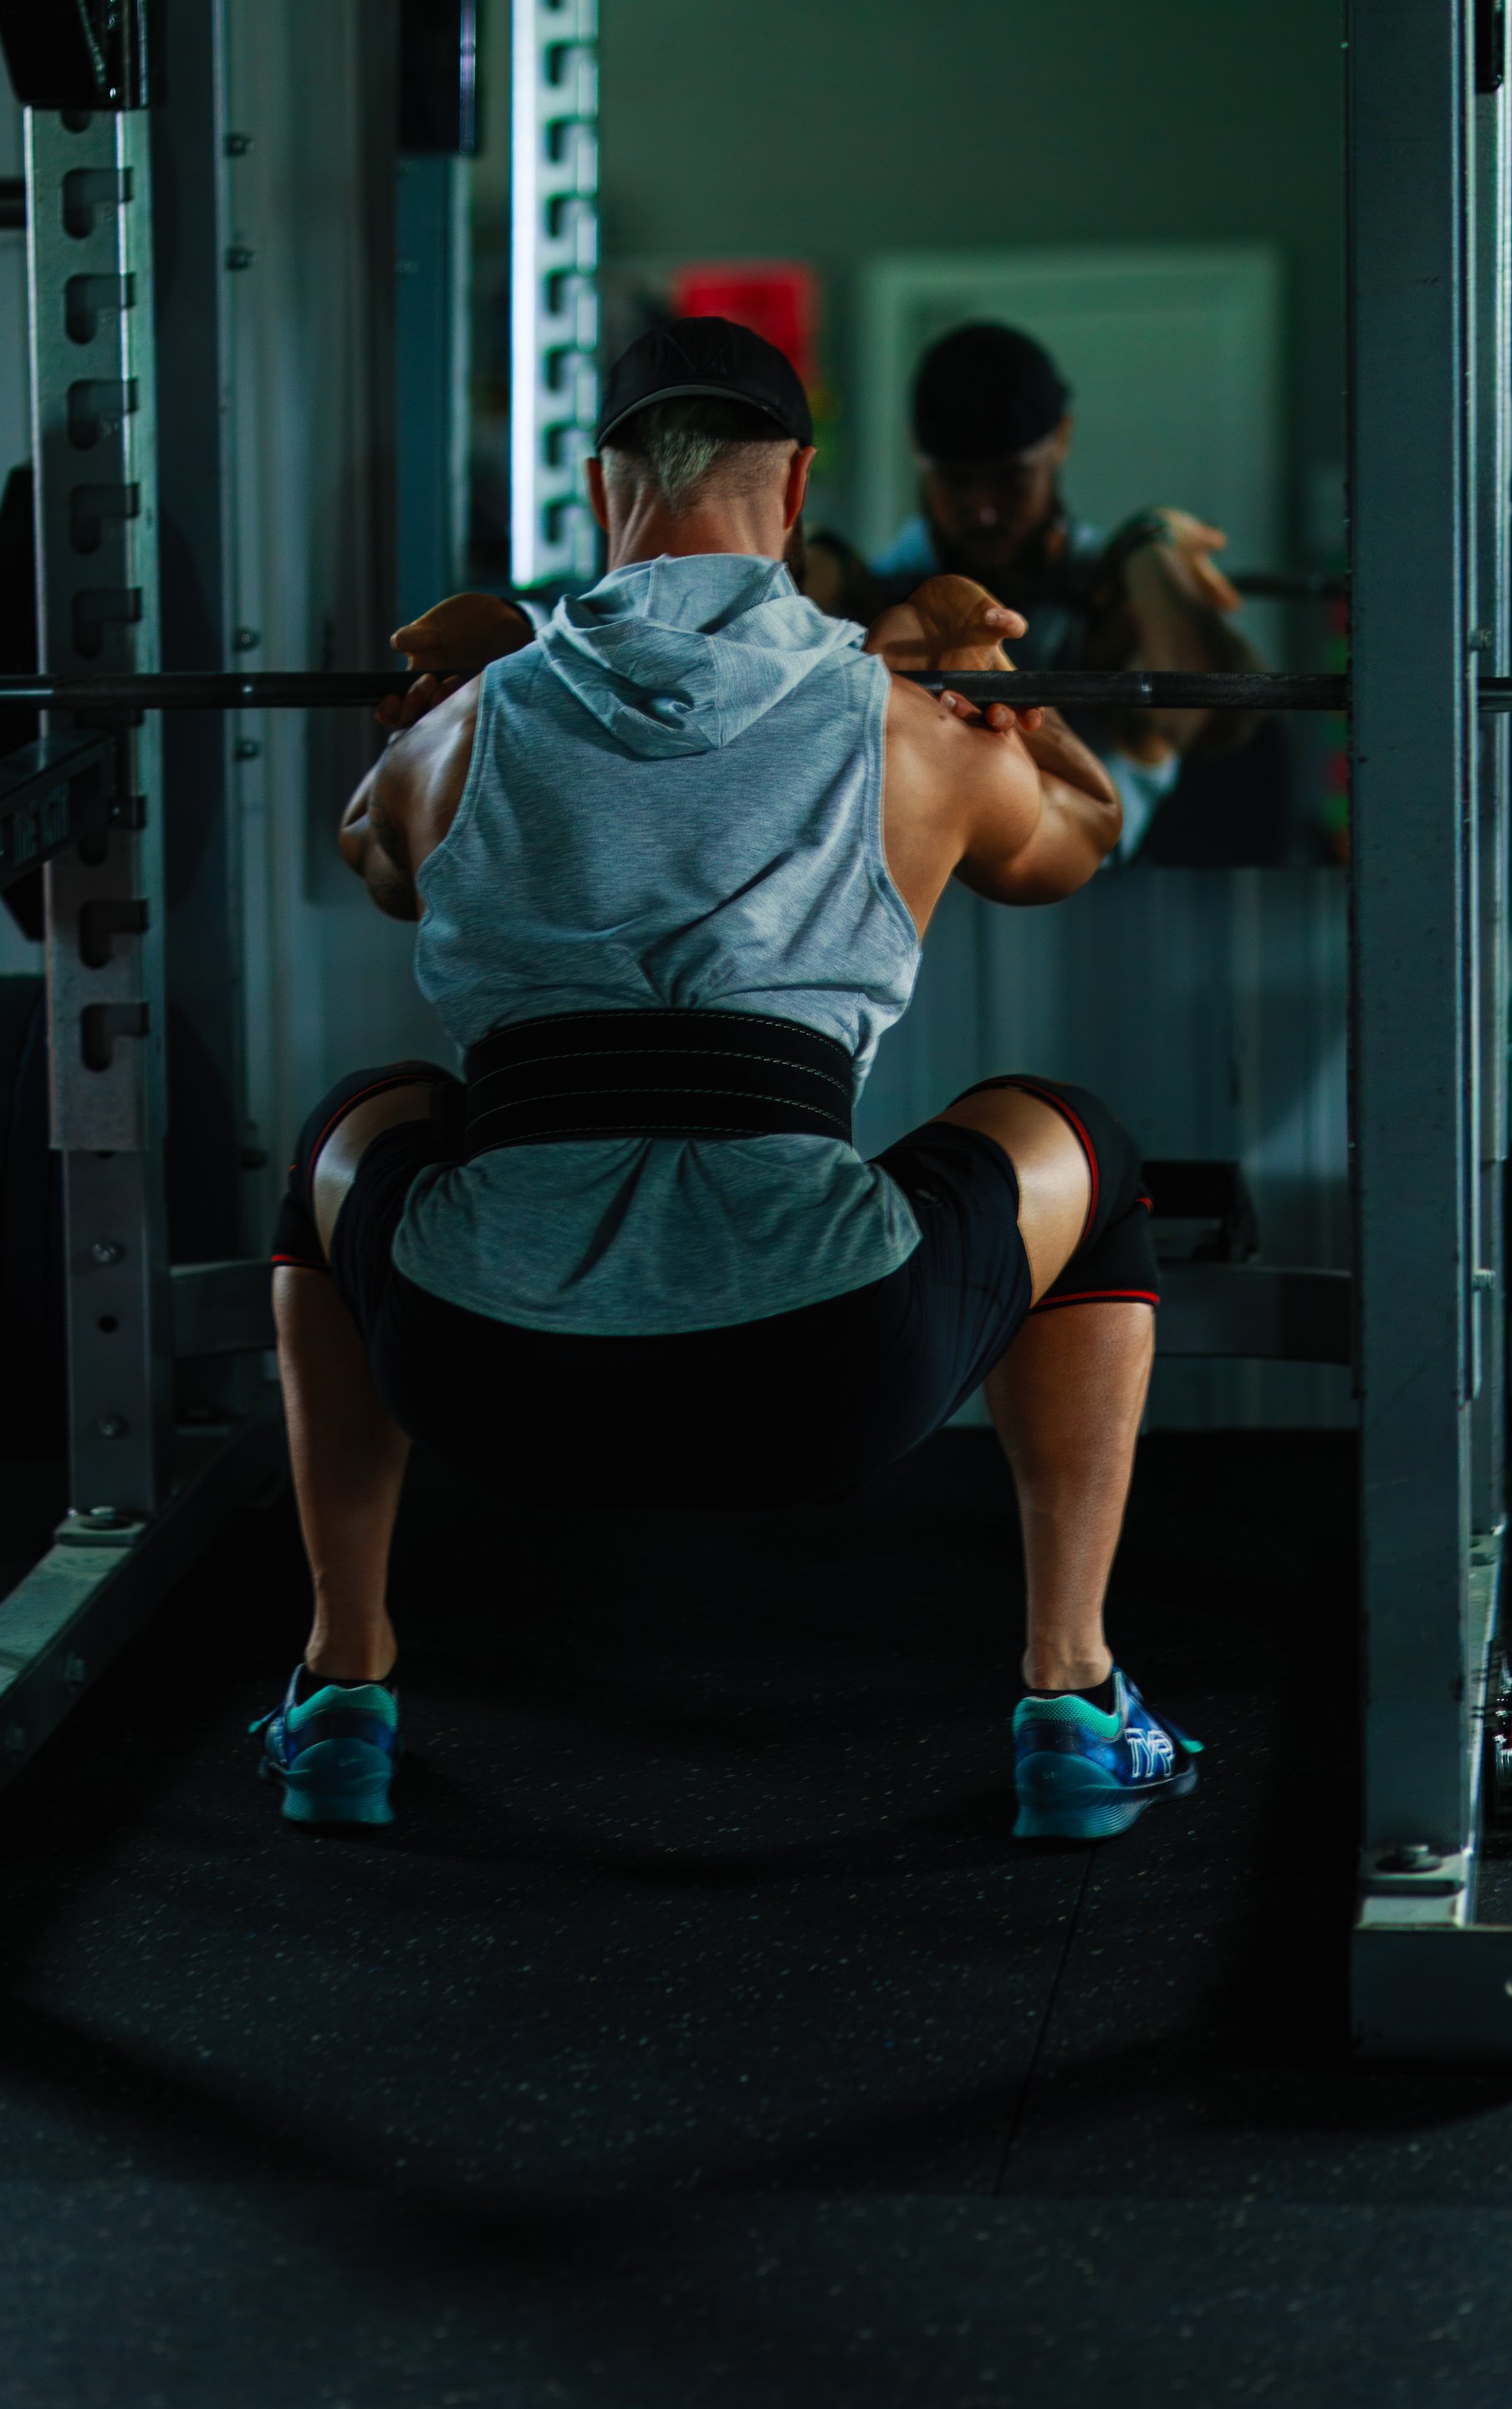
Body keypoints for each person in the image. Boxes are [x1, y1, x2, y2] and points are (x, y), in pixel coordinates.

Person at [258, 316, 1201, 1848]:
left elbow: (375, 851)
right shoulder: (912, 734)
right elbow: (1080, 843)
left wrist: (451, 681)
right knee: (1076, 1143)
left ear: (598, 485)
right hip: (825, 1373)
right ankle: (1074, 1702)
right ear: (800, 487)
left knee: (345, 1132)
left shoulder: (462, 737)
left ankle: (340, 1688)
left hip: (488, 1374)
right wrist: (990, 692)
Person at [803, 319, 1265, 861]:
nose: (982, 509)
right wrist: (813, 561)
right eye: (955, 481)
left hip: (1074, 905)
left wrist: (1151, 551)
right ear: (918, 455)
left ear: (1061, 439)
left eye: (1010, 478)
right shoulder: (867, 589)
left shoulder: (1115, 597)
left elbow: (1212, 721)